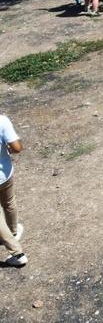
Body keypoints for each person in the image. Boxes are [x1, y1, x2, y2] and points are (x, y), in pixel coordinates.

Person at [0, 114, 27, 267]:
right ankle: (13, 231)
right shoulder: (2, 120)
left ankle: (17, 254)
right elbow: (17, 147)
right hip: (5, 175)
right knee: (9, 202)